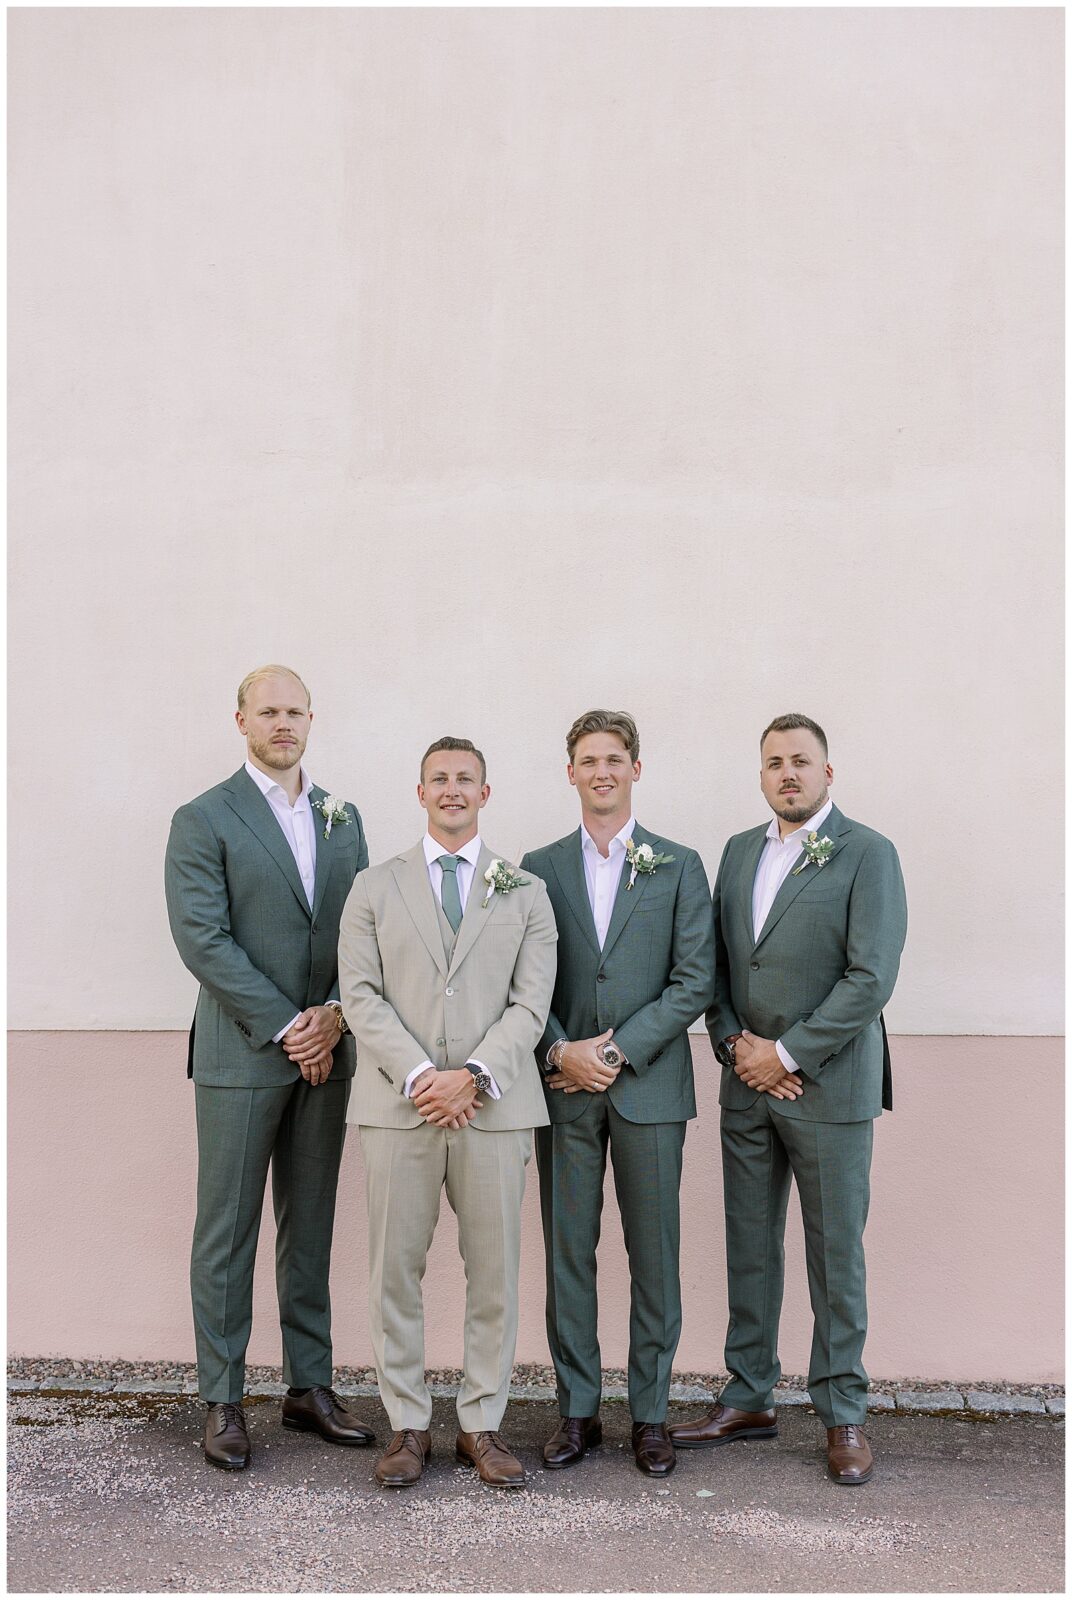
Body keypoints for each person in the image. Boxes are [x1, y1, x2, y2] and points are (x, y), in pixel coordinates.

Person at [670, 714, 907, 1485]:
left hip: (829, 1089)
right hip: (746, 1086)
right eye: (773, 763)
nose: (787, 775)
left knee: (835, 1254)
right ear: (761, 774)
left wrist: (789, 1052)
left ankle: (843, 1414)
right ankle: (749, 1396)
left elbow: (870, 978)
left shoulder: (868, 854)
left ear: (827, 773)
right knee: (749, 1243)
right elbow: (716, 964)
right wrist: (737, 1044)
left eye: (801, 762)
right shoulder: (741, 852)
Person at [164, 665, 375, 1470]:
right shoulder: (204, 817)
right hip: (243, 1053)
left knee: (310, 1221)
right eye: (268, 711)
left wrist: (334, 1014)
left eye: (295, 711)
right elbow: (202, 939)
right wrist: (291, 1024)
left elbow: (361, 926)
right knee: (228, 1228)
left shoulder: (342, 816)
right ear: (242, 720)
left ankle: (307, 1386)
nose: (283, 723)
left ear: (312, 720)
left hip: (329, 1047)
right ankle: (222, 1398)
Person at [338, 737, 557, 1490]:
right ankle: (406, 1424)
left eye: (466, 779)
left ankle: (482, 1424)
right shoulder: (374, 886)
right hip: (400, 1108)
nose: (453, 790)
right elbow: (360, 994)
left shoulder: (524, 890)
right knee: (394, 1270)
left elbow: (533, 1002)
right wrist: (425, 1076)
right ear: (420, 790)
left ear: (486, 794)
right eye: (440, 779)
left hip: (494, 1110)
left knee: (493, 1273)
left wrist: (476, 1076)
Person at [520, 710, 715, 1478]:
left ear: (636, 768)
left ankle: (651, 1415)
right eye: (587, 759)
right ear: (569, 772)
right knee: (570, 1251)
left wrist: (617, 1047)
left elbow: (694, 978)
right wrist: (562, 1049)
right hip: (564, 1086)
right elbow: (523, 980)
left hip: (649, 1088)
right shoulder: (536, 867)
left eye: (614, 758)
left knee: (654, 1255)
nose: (601, 771)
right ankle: (575, 1411)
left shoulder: (679, 865)